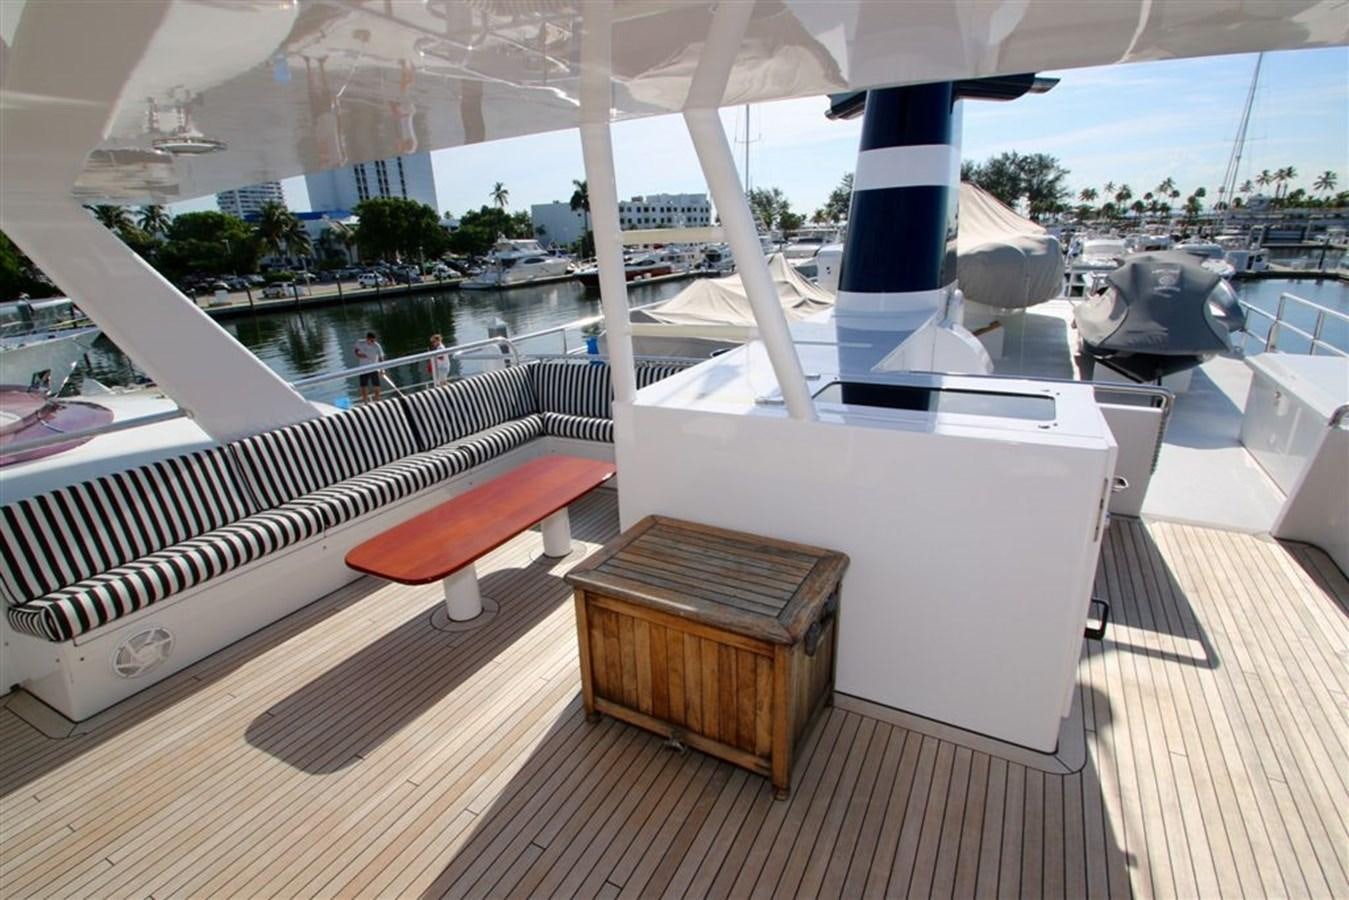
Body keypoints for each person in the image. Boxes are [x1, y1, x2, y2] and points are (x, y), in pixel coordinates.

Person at [353, 331, 385, 402]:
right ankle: (365, 402)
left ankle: (377, 400)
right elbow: (356, 350)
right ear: (367, 338)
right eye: (371, 340)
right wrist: (359, 354)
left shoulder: (377, 346)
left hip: (374, 367)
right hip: (363, 367)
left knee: (376, 385)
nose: (373, 342)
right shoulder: (360, 342)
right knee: (364, 386)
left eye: (374, 340)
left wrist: (382, 369)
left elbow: (381, 357)